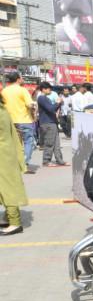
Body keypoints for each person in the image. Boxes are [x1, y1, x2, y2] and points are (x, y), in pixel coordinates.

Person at [0, 93, 29, 236]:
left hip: (2, 155)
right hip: (6, 151)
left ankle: (15, 222)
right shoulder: (2, 108)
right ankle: (8, 217)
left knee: (7, 188)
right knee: (6, 186)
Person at [2, 72, 36, 174]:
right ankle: (23, 164)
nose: (22, 79)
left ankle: (12, 164)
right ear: (18, 79)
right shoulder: (22, 90)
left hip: (10, 121)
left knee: (14, 144)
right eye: (21, 77)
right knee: (29, 142)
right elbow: (30, 105)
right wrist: (34, 108)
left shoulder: (4, 91)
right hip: (24, 120)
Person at [37, 82, 66, 167]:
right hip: (47, 122)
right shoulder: (42, 98)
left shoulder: (46, 98)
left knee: (57, 143)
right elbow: (51, 109)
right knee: (49, 142)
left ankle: (60, 160)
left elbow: (53, 109)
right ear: (43, 89)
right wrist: (57, 103)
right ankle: (46, 161)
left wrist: (59, 103)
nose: (50, 90)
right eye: (49, 88)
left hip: (52, 121)